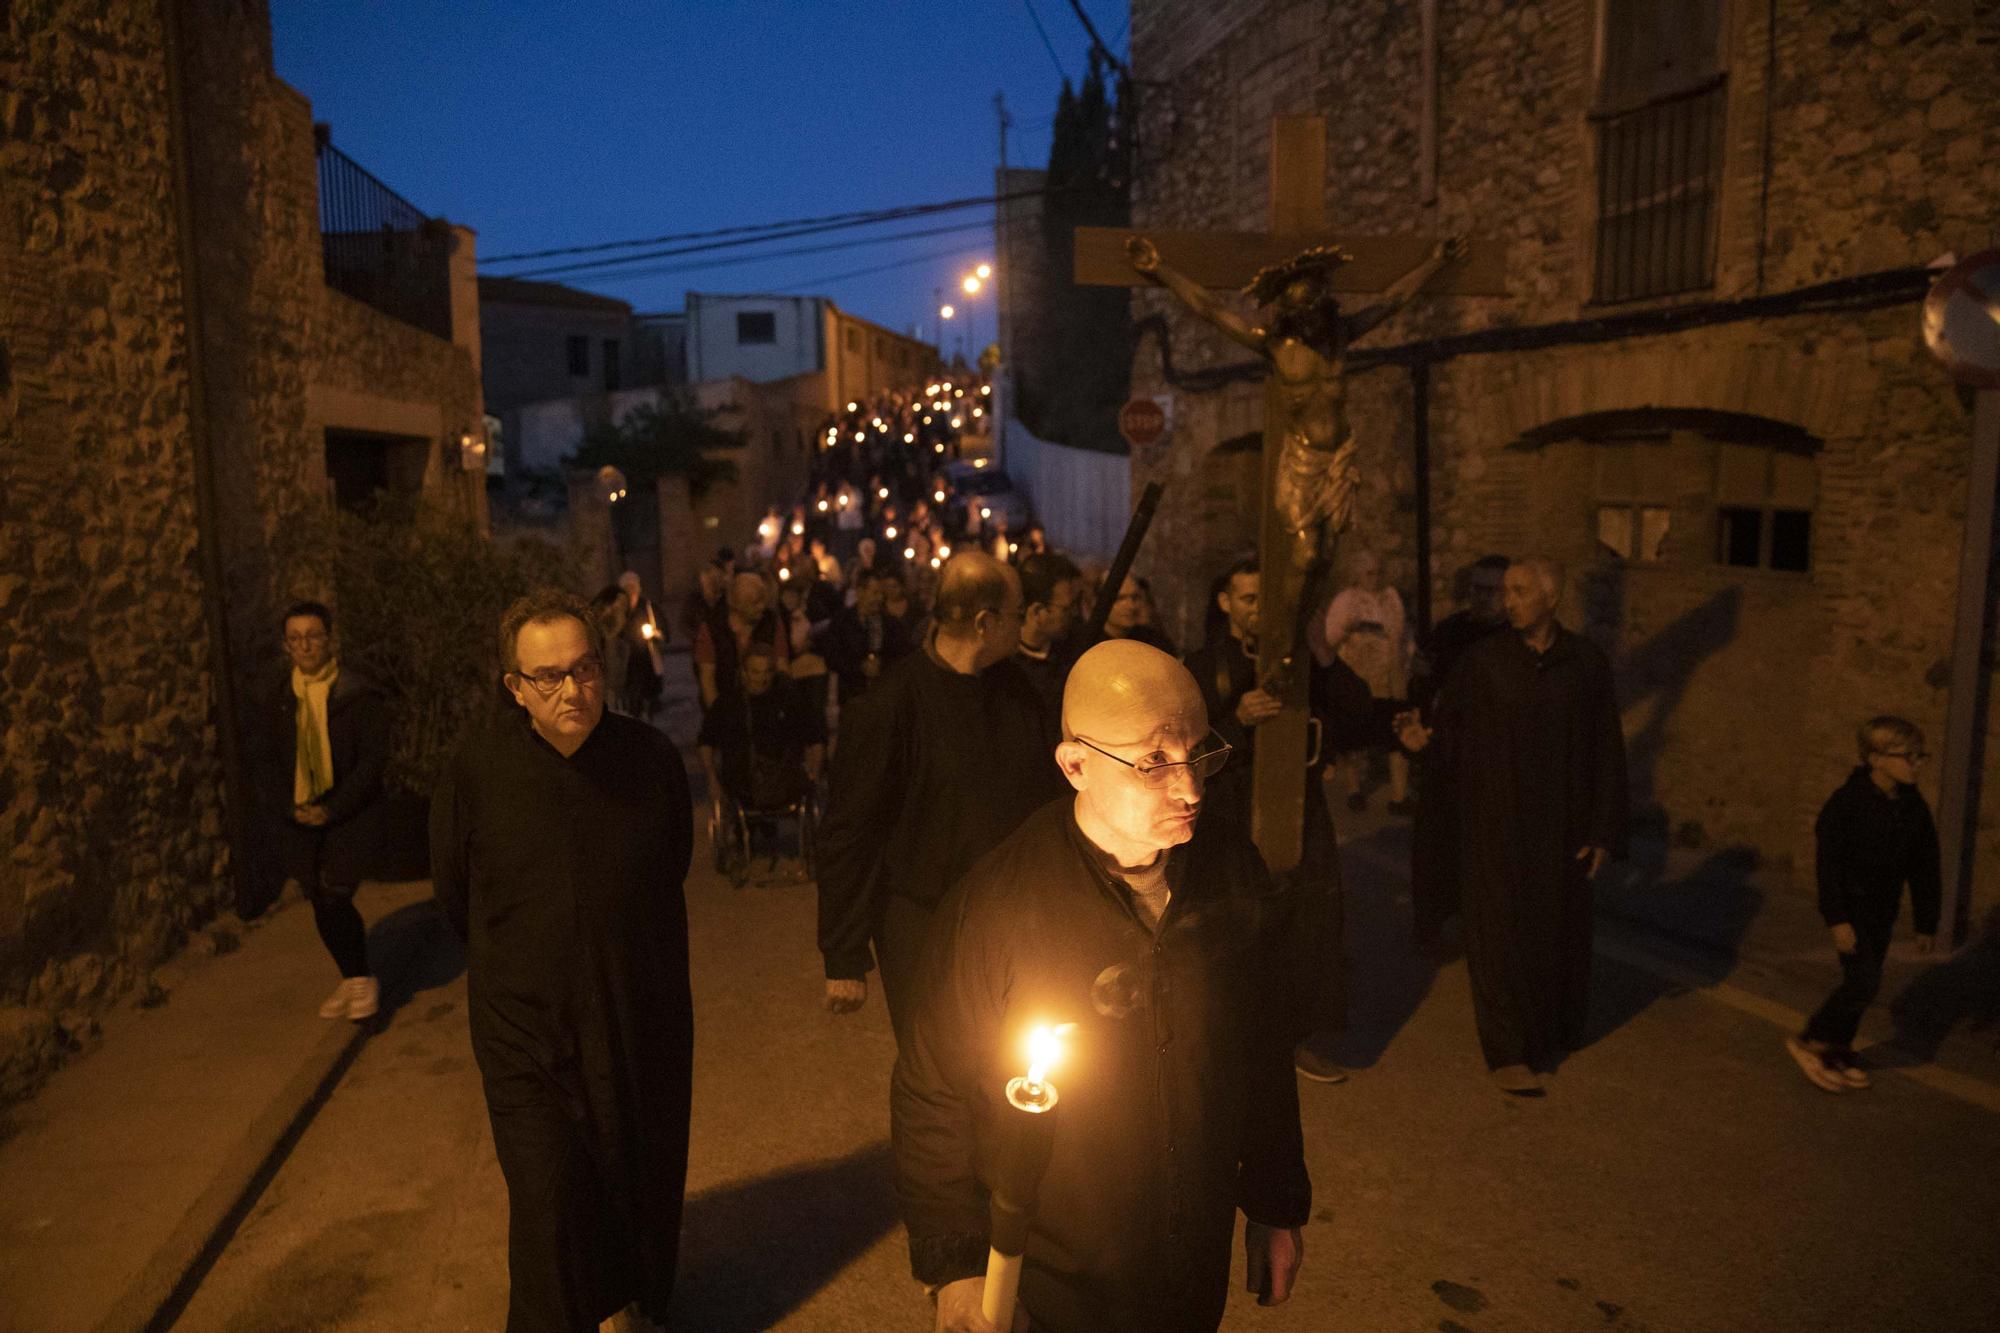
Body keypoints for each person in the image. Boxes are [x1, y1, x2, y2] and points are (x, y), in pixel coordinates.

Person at [893, 641, 1309, 1333]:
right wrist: (958, 1262)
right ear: (1076, 764)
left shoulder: (1230, 866)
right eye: (1153, 762)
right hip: (1056, 1279)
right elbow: (931, 1088)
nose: (1191, 787)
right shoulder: (1000, 904)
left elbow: (1263, 1045)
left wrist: (1275, 1200)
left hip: (1190, 1267)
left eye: (1199, 749)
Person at [430, 588, 693, 1333]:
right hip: (525, 1029)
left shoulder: (648, 760)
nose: (569, 690)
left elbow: (669, 863)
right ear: (515, 687)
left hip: (634, 1010)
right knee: (546, 1195)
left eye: (582, 669)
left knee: (629, 1171)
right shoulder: (477, 772)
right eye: (546, 677)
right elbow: (456, 892)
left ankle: (624, 1300)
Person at [1398, 558, 1629, 1096]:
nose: (1509, 601)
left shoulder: (1585, 664)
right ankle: (1505, 1051)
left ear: (1552, 598)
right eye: (1506, 591)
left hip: (1563, 826)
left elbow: (1605, 750)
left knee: (1554, 932)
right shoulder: (1485, 663)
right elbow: (1449, 735)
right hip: (1494, 824)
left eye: (1520, 591)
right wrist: (1420, 742)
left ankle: (1549, 1031)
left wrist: (1603, 831)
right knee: (1497, 934)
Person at [817, 553, 1062, 1049]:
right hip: (923, 920)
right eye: (1016, 614)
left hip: (1010, 915)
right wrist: (843, 955)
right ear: (984, 622)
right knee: (937, 1065)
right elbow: (850, 830)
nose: (1023, 623)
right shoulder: (890, 706)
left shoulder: (1016, 691)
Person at [1184, 559, 1382, 1083]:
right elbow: (1189, 752)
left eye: (1266, 600)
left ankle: (1296, 1038)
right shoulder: (1203, 667)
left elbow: (1359, 709)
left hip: (1300, 809)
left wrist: (1321, 655)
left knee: (1305, 923)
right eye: (1248, 599)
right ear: (1225, 602)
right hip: (1232, 817)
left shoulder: (1300, 662)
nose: (1259, 611)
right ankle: (1231, 1043)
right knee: (1237, 928)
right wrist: (1237, 722)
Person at [1785, 716, 1941, 1093]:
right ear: (1875, 758)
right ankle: (1811, 1040)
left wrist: (1926, 923)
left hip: (1881, 910)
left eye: (1921, 756)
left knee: (1865, 983)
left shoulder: (1911, 806)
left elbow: (1925, 867)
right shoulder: (1847, 803)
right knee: (1862, 981)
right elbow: (1829, 867)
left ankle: (1838, 1049)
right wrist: (1837, 920)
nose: (1916, 764)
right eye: (1907, 756)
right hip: (1851, 909)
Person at [259, 600, 388, 1021]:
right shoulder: (279, 698)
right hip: (298, 814)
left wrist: (333, 808)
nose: (305, 646)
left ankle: (362, 979)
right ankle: (352, 976)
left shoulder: (356, 694)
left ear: (330, 640)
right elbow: (267, 759)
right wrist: (289, 807)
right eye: (295, 639)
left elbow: (372, 760)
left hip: (347, 813)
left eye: (313, 636)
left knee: (336, 893)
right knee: (317, 896)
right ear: (286, 646)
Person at [1406, 555, 1510, 952]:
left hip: (1494, 765)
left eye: (1493, 591)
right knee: (1437, 847)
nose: (1484, 599)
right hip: (1446, 758)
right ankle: (1431, 925)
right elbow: (1422, 687)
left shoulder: (1514, 642)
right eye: (1478, 590)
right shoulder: (1450, 633)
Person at [1323, 549, 1413, 812]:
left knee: (1396, 732)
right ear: (1357, 575)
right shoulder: (1346, 601)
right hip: (1359, 677)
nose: (1375, 578)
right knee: (1355, 737)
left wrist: (1406, 659)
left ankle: (1399, 795)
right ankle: (1355, 788)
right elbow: (1330, 637)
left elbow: (1402, 632)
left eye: (1378, 572)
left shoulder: (1390, 597)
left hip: (1390, 675)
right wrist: (1350, 627)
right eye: (1369, 573)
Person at [697, 648, 826, 816]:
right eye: (755, 672)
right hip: (741, 784)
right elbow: (706, 741)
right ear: (744, 673)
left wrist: (814, 772)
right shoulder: (728, 704)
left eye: (767, 672)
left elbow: (815, 734)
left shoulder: (789, 701)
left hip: (785, 780)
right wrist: (712, 779)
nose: (762, 679)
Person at [693, 571, 791, 710]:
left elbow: (782, 667)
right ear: (738, 604)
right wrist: (716, 715)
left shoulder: (771, 622)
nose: (762, 607)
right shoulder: (712, 628)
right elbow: (707, 679)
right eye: (755, 603)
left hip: (766, 704)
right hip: (726, 699)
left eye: (763, 601)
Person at [1012, 551, 1083, 728]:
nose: (1075, 613)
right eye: (1068, 607)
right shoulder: (1006, 666)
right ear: (1037, 612)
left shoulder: (1074, 649)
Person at [825, 569, 915, 707]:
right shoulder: (841, 622)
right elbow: (832, 656)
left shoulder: (891, 624)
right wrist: (860, 666)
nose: (879, 598)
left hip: (884, 696)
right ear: (860, 592)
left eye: (881, 593)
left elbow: (902, 654)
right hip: (852, 695)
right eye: (874, 593)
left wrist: (882, 664)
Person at [1101, 572, 1177, 655]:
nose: (1131, 606)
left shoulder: (1155, 643)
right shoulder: (1088, 641)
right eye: (1119, 598)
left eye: (1134, 597)